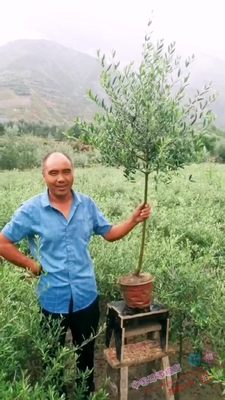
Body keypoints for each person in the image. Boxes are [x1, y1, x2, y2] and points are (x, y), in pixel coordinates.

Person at [0, 151, 151, 397]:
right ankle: (56, 392)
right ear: (44, 176)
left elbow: (109, 233)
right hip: (51, 299)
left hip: (85, 296)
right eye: (54, 172)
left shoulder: (87, 205)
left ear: (73, 174)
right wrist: (32, 265)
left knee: (86, 355)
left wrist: (133, 220)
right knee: (52, 358)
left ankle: (85, 393)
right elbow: (3, 242)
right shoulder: (30, 210)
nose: (61, 178)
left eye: (66, 171)